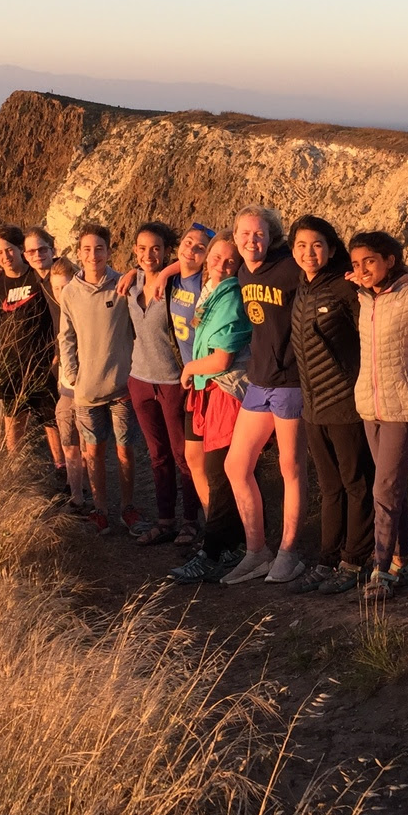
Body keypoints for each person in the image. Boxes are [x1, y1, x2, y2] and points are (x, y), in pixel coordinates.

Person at [220, 207, 309, 585]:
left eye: (259, 235)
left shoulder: (290, 268)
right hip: (259, 380)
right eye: (244, 234)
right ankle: (257, 551)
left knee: (291, 467)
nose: (251, 241)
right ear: (235, 236)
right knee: (236, 466)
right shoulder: (241, 271)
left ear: (271, 237)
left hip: (290, 381)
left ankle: (289, 552)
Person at [288, 216, 376, 595]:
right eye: (302, 246)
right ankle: (328, 558)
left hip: (345, 402)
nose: (309, 253)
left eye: (318, 245)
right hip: (313, 407)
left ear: (332, 248)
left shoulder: (345, 287)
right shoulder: (303, 287)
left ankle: (355, 560)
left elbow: (369, 334)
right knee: (329, 486)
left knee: (356, 483)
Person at [348, 230, 408, 601]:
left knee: (384, 488)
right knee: (389, 487)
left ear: (390, 260)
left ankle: (381, 571)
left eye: (370, 260)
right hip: (369, 406)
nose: (363, 269)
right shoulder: (364, 300)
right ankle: (403, 559)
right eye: (356, 263)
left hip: (403, 406)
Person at [169, 234, 252, 583]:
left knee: (220, 474)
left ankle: (214, 551)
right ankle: (226, 541)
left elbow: (222, 357)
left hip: (223, 390)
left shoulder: (230, 296)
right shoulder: (210, 288)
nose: (221, 264)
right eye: (217, 257)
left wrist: (189, 368)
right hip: (207, 390)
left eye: (229, 261)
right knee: (204, 464)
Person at [57, 222, 142, 536]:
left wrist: (134, 272)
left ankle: (128, 507)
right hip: (86, 390)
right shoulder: (70, 293)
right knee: (93, 452)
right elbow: (65, 337)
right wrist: (73, 376)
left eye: (100, 248)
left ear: (109, 251)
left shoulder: (123, 285)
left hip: (121, 386)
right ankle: (101, 509)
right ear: (78, 253)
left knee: (126, 450)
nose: (93, 255)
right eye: (87, 249)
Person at [127, 222, 201, 545]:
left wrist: (170, 269)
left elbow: (200, 256)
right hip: (139, 380)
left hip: (172, 380)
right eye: (142, 249)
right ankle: (165, 519)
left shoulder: (175, 286)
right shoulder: (130, 284)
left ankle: (190, 521)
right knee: (157, 454)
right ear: (134, 252)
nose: (149, 255)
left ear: (166, 251)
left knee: (182, 453)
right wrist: (133, 272)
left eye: (156, 248)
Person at [0, 224, 58, 457]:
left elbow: (59, 264)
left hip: (44, 366)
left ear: (21, 249)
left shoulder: (40, 274)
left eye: (10, 250)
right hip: (11, 367)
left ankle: (63, 474)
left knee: (53, 424)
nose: (5, 256)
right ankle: (16, 471)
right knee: (14, 425)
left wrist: (57, 360)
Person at [167, 223, 214, 547]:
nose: (191, 250)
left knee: (213, 461)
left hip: (210, 381)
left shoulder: (205, 283)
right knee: (194, 457)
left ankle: (224, 532)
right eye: (188, 242)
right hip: (191, 380)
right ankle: (212, 528)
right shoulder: (173, 280)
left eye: (199, 248)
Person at [23, 226, 69, 477]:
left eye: (42, 249)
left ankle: (82, 472)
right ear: (25, 255)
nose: (37, 255)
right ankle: (62, 468)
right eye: (31, 251)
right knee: (50, 412)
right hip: (52, 357)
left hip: (73, 357)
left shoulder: (65, 274)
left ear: (53, 249)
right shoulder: (34, 278)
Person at [45, 257, 89, 511]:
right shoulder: (56, 310)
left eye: (66, 286)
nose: (61, 293)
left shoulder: (83, 309)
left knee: (87, 448)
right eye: (56, 288)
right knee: (69, 444)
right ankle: (76, 496)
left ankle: (94, 496)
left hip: (86, 390)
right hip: (65, 390)